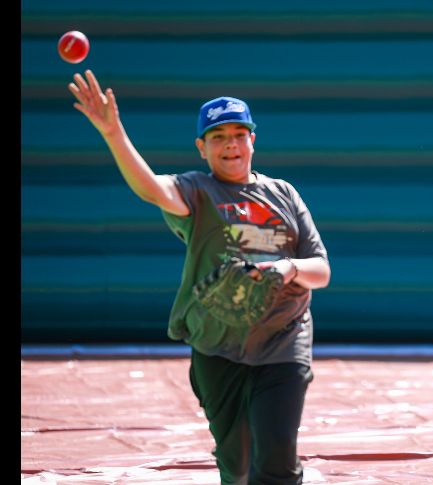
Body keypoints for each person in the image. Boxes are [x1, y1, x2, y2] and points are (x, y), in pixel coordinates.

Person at [68, 69, 331, 485]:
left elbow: (321, 270)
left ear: (252, 141)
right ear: (202, 148)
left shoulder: (284, 194)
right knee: (237, 464)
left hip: (283, 341)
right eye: (218, 137)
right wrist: (113, 133)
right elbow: (152, 189)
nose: (230, 144)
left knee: (276, 460)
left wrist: (288, 267)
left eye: (239, 134)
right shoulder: (197, 190)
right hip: (218, 347)